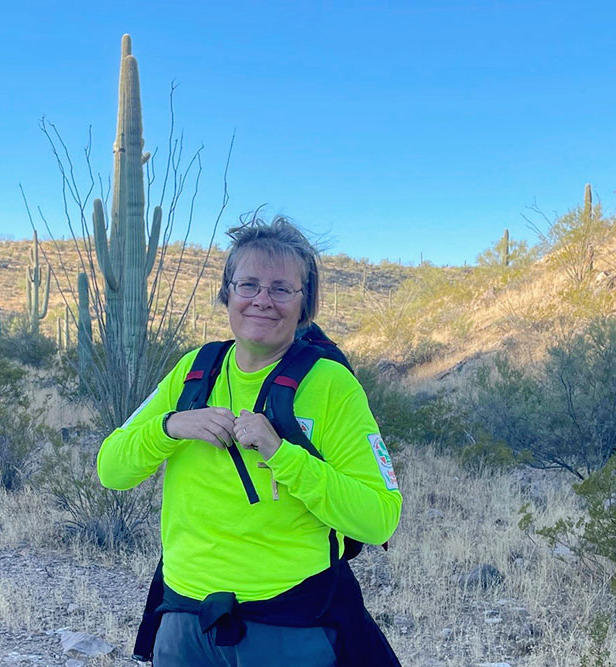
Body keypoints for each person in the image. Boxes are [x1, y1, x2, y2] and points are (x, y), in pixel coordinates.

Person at [97, 215, 403, 666]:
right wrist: (170, 426)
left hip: (289, 622)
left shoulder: (332, 385)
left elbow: (380, 519)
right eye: (249, 285)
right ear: (228, 293)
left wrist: (284, 456)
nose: (263, 300)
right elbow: (111, 469)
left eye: (282, 289)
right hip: (184, 616)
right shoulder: (192, 371)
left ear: (305, 304)